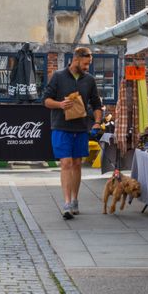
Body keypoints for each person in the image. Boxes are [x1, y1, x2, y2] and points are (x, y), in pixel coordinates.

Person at [42, 46, 103, 220]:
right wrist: (60, 105)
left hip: (81, 128)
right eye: (85, 63)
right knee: (66, 163)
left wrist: (97, 122)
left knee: (77, 163)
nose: (87, 67)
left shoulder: (89, 80)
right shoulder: (58, 76)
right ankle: (67, 203)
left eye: (89, 64)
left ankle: (75, 199)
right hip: (61, 127)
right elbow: (45, 101)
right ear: (76, 59)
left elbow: (96, 104)